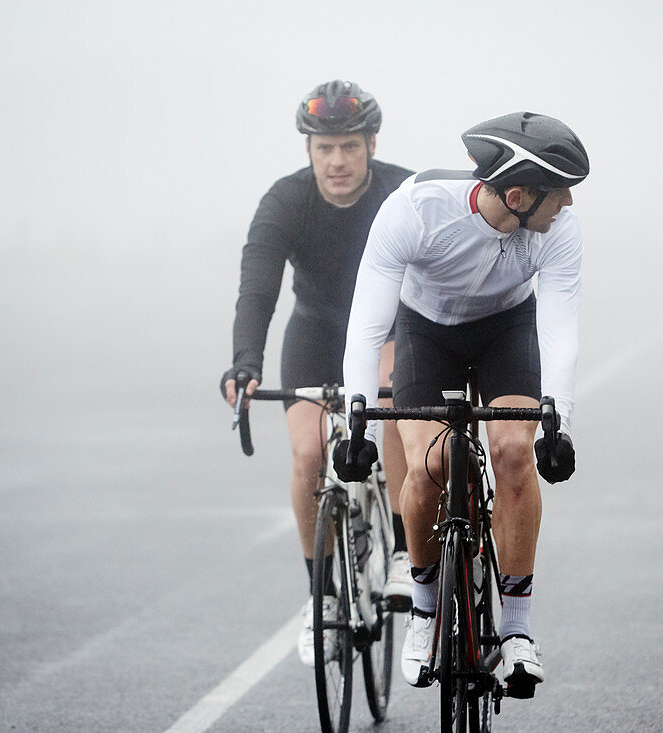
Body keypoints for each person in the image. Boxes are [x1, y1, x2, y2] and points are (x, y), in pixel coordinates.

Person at [336, 111, 588, 697]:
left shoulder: (558, 230)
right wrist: (359, 428)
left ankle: (518, 631)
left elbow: (558, 333)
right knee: (429, 465)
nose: (569, 203)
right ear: (519, 195)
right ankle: (425, 611)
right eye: (560, 191)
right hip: (427, 332)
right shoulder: (415, 209)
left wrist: (559, 423)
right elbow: (366, 328)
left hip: (508, 331)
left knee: (513, 450)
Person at [220, 80, 413, 667]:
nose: (336, 161)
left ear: (371, 146)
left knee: (394, 414)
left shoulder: (402, 192)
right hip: (316, 332)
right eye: (324, 147)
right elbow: (257, 290)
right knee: (308, 456)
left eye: (349, 147)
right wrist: (245, 362)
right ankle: (320, 597)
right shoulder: (284, 201)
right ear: (308, 149)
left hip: (387, 330)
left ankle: (404, 549)